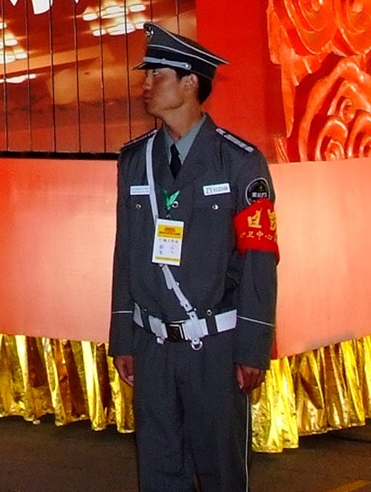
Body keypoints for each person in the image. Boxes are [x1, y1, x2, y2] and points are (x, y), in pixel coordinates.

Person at [111, 25, 278, 491]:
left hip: (216, 348)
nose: (145, 85)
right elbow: (125, 251)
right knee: (160, 472)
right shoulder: (135, 160)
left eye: (156, 74)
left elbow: (259, 258)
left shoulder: (240, 163)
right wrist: (123, 336)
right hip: (153, 346)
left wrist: (252, 348)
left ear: (190, 83)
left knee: (222, 470)